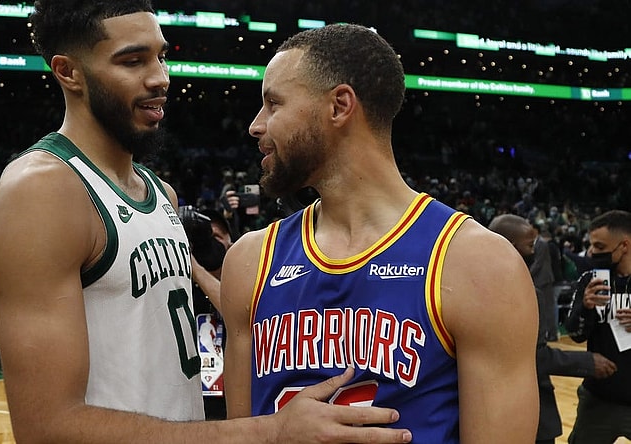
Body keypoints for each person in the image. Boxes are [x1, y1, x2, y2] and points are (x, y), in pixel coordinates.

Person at [0, 2, 411, 443]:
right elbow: (46, 428)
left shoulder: (159, 192)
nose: (159, 77)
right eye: (132, 61)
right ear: (69, 72)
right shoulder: (41, 193)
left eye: (160, 56)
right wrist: (269, 431)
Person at [219, 24, 539, 443]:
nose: (256, 126)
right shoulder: (248, 260)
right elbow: (242, 435)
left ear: (339, 106)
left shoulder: (477, 263)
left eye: (273, 104)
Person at [488, 214, 617, 444]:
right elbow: (534, 356)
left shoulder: (467, 288)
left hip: (486, 409)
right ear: (510, 246)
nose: (535, 251)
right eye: (530, 245)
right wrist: (587, 362)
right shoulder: (524, 292)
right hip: (527, 407)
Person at [564, 210, 631, 443]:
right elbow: (575, 334)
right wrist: (585, 308)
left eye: (600, 247)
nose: (592, 252)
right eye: (591, 246)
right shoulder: (590, 279)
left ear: (624, 245)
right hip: (599, 398)